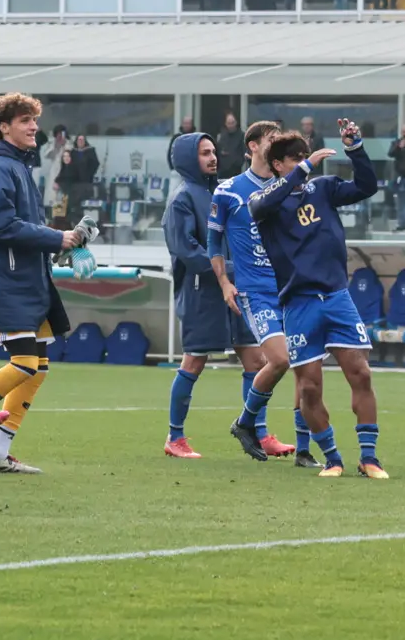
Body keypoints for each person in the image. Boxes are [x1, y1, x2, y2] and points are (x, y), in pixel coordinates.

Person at [0, 93, 92, 474]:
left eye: (34, 119)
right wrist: (56, 238)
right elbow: (1, 226)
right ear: (3, 127)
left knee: (39, 367)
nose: (34, 126)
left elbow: (22, 227)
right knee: (25, 363)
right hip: (9, 281)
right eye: (24, 120)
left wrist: (62, 244)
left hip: (29, 279)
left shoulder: (16, 165)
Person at [249, 122, 387, 477]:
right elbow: (262, 206)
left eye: (303, 155)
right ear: (277, 164)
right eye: (293, 158)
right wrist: (306, 166)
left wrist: (355, 149)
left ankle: (369, 457)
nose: (301, 161)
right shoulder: (264, 200)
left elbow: (366, 186)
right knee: (309, 385)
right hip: (299, 303)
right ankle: (333, 458)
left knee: (360, 373)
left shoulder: (323, 189)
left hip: (338, 296)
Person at [210, 117, 301, 462]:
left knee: (306, 366)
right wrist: (224, 283)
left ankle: (304, 448)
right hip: (255, 291)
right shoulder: (229, 190)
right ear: (252, 147)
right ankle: (247, 423)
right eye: (272, 138)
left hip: (291, 288)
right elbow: (213, 241)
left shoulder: (288, 186)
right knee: (279, 359)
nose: (278, 142)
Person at [159, 131, 236, 458]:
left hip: (228, 288)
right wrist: (230, 269)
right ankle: (175, 437)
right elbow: (187, 252)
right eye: (205, 152)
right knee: (195, 360)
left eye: (214, 151)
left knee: (256, 357)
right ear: (190, 159)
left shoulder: (219, 193)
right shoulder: (182, 199)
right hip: (200, 293)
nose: (212, 157)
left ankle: (259, 433)